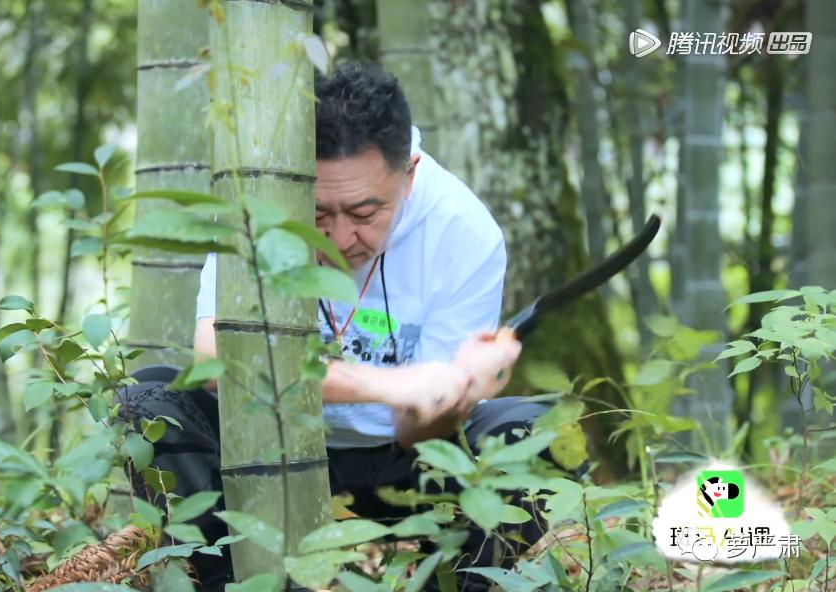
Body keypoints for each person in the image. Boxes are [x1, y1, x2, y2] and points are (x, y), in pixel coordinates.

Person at [117, 61, 557, 591]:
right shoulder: (263, 202)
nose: (343, 236)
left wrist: (456, 391)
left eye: (366, 213)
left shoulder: (463, 232)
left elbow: (416, 431)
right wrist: (389, 384)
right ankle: (228, 581)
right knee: (149, 399)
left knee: (523, 426)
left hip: (399, 468)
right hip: (265, 458)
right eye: (320, 212)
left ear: (409, 173)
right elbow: (216, 361)